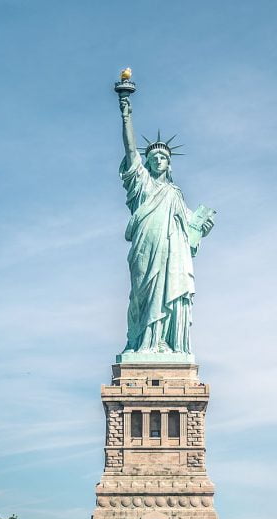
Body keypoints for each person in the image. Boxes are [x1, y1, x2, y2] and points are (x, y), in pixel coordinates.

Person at [116, 89, 214, 356]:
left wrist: (201, 228)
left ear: (169, 164)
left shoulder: (175, 194)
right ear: (146, 162)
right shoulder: (142, 183)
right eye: (154, 157)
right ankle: (142, 343)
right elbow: (129, 149)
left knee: (169, 290)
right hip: (146, 248)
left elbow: (192, 227)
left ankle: (165, 344)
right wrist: (126, 114)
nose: (158, 160)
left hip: (172, 254)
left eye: (163, 158)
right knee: (143, 295)